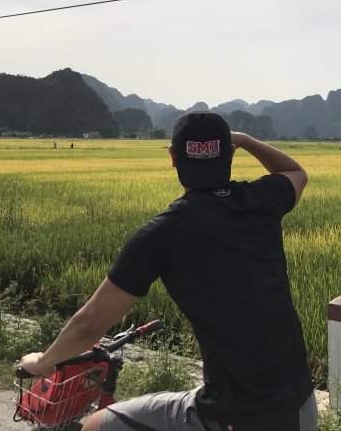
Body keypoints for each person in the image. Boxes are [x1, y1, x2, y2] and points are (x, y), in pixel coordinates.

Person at [17, 112, 317, 431]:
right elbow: (294, 171)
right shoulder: (261, 200)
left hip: (233, 418)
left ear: (173, 157)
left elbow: (88, 325)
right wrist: (242, 139)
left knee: (93, 426)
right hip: (300, 409)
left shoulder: (161, 235)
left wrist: (41, 363)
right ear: (230, 154)